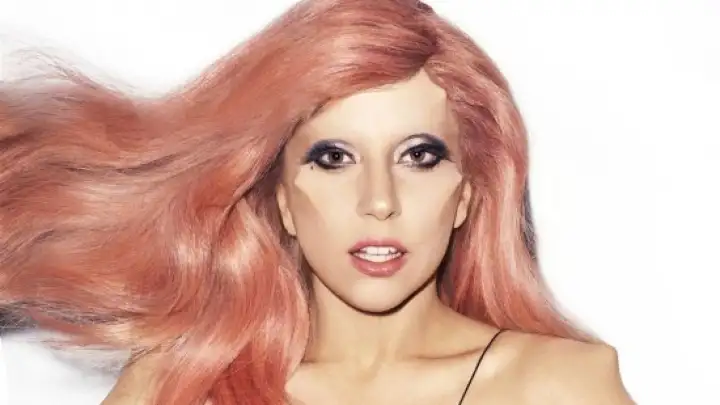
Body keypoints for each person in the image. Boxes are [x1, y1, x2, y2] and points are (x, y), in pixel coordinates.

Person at [0, 0, 635, 404]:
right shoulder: (185, 385)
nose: (379, 201)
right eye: (333, 159)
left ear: (467, 194)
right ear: (280, 200)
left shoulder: (558, 386)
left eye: (419, 157)